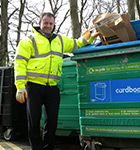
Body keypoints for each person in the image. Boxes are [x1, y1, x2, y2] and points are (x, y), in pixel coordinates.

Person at [14, 12, 99, 150]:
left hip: (52, 88)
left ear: (54, 25)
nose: (48, 26)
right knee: (34, 122)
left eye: (51, 24)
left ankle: (48, 148)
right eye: (45, 23)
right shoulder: (29, 40)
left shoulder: (60, 40)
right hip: (34, 86)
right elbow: (20, 63)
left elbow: (76, 44)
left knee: (52, 122)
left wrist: (89, 37)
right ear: (40, 23)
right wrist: (20, 86)